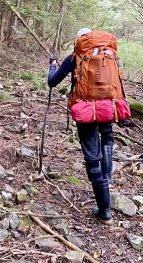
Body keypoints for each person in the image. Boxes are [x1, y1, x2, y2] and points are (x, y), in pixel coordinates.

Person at [48, 28, 114, 225]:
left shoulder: (75, 57)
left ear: (78, 41)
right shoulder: (108, 54)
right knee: (107, 139)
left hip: (85, 109)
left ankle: (105, 211)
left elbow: (52, 82)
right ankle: (107, 179)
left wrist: (53, 65)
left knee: (92, 158)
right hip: (107, 106)